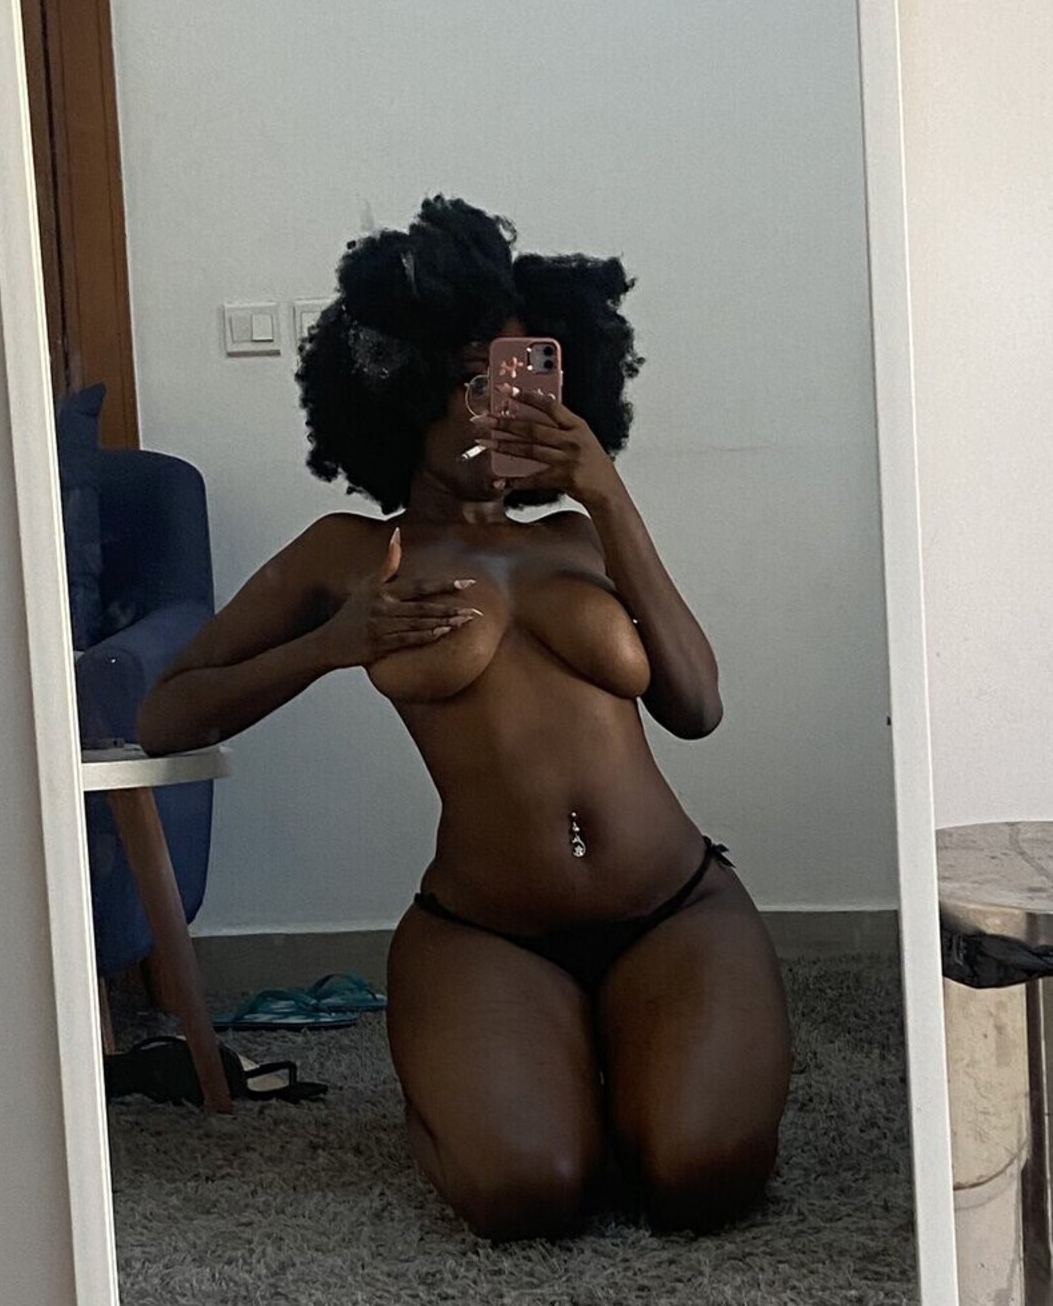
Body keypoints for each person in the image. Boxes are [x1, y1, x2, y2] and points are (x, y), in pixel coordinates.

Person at [137, 194, 793, 1242]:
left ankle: (616, 1052)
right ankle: (498, 1078)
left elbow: (698, 706)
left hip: (675, 906)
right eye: (466, 379)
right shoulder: (349, 554)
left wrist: (609, 495)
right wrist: (332, 643)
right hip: (488, 935)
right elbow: (166, 713)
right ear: (400, 387)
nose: (494, 407)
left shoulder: (579, 535)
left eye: (517, 378)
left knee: (701, 1177)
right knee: (526, 1192)